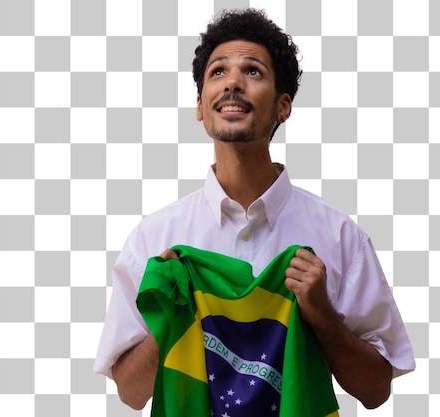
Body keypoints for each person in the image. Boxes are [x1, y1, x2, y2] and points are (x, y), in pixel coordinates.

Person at [94, 7, 415, 412]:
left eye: (253, 71)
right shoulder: (154, 240)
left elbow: (376, 390)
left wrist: (323, 315)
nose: (232, 83)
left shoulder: (339, 237)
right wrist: (170, 314)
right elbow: (130, 393)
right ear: (200, 106)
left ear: (283, 107)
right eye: (218, 72)